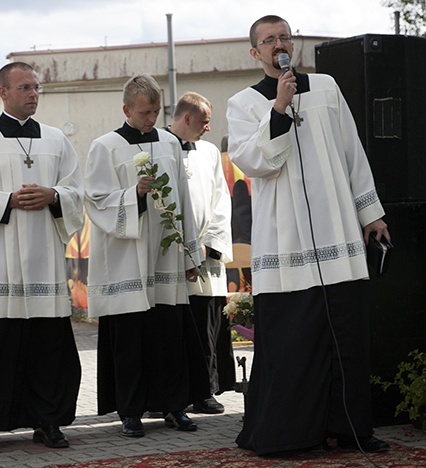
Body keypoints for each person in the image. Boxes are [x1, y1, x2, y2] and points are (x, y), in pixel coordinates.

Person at [226, 15, 391, 455]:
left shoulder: (327, 87)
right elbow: (255, 162)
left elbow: (352, 152)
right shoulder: (242, 103)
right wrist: (278, 108)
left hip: (337, 227)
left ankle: (353, 427)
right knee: (294, 339)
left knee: (348, 334)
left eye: (284, 36)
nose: (279, 44)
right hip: (286, 238)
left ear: (291, 43)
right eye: (269, 40)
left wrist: (370, 213)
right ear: (255, 52)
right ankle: (295, 431)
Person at [0, 62, 83, 458]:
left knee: (46, 347)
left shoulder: (57, 140)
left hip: (43, 260)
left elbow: (77, 190)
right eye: (24, 87)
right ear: (2, 92)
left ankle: (48, 420)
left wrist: (54, 196)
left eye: (37, 88)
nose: (33, 94)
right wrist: (6, 200)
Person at [85, 74, 204, 438]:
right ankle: (131, 412)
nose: (152, 118)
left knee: (169, 338)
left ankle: (173, 406)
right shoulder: (105, 147)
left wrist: (190, 255)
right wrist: (133, 194)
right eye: (144, 112)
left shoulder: (170, 142)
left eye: (156, 111)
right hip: (127, 258)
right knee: (130, 342)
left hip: (164, 257)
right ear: (126, 109)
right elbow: (96, 199)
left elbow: (183, 199)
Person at [166, 92, 236, 415]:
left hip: (206, 256)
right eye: (205, 122)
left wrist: (210, 244)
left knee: (205, 327)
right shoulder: (158, 148)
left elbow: (222, 200)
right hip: (170, 260)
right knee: (173, 331)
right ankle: (169, 396)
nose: (209, 129)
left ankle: (205, 391)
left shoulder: (209, 153)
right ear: (187, 118)